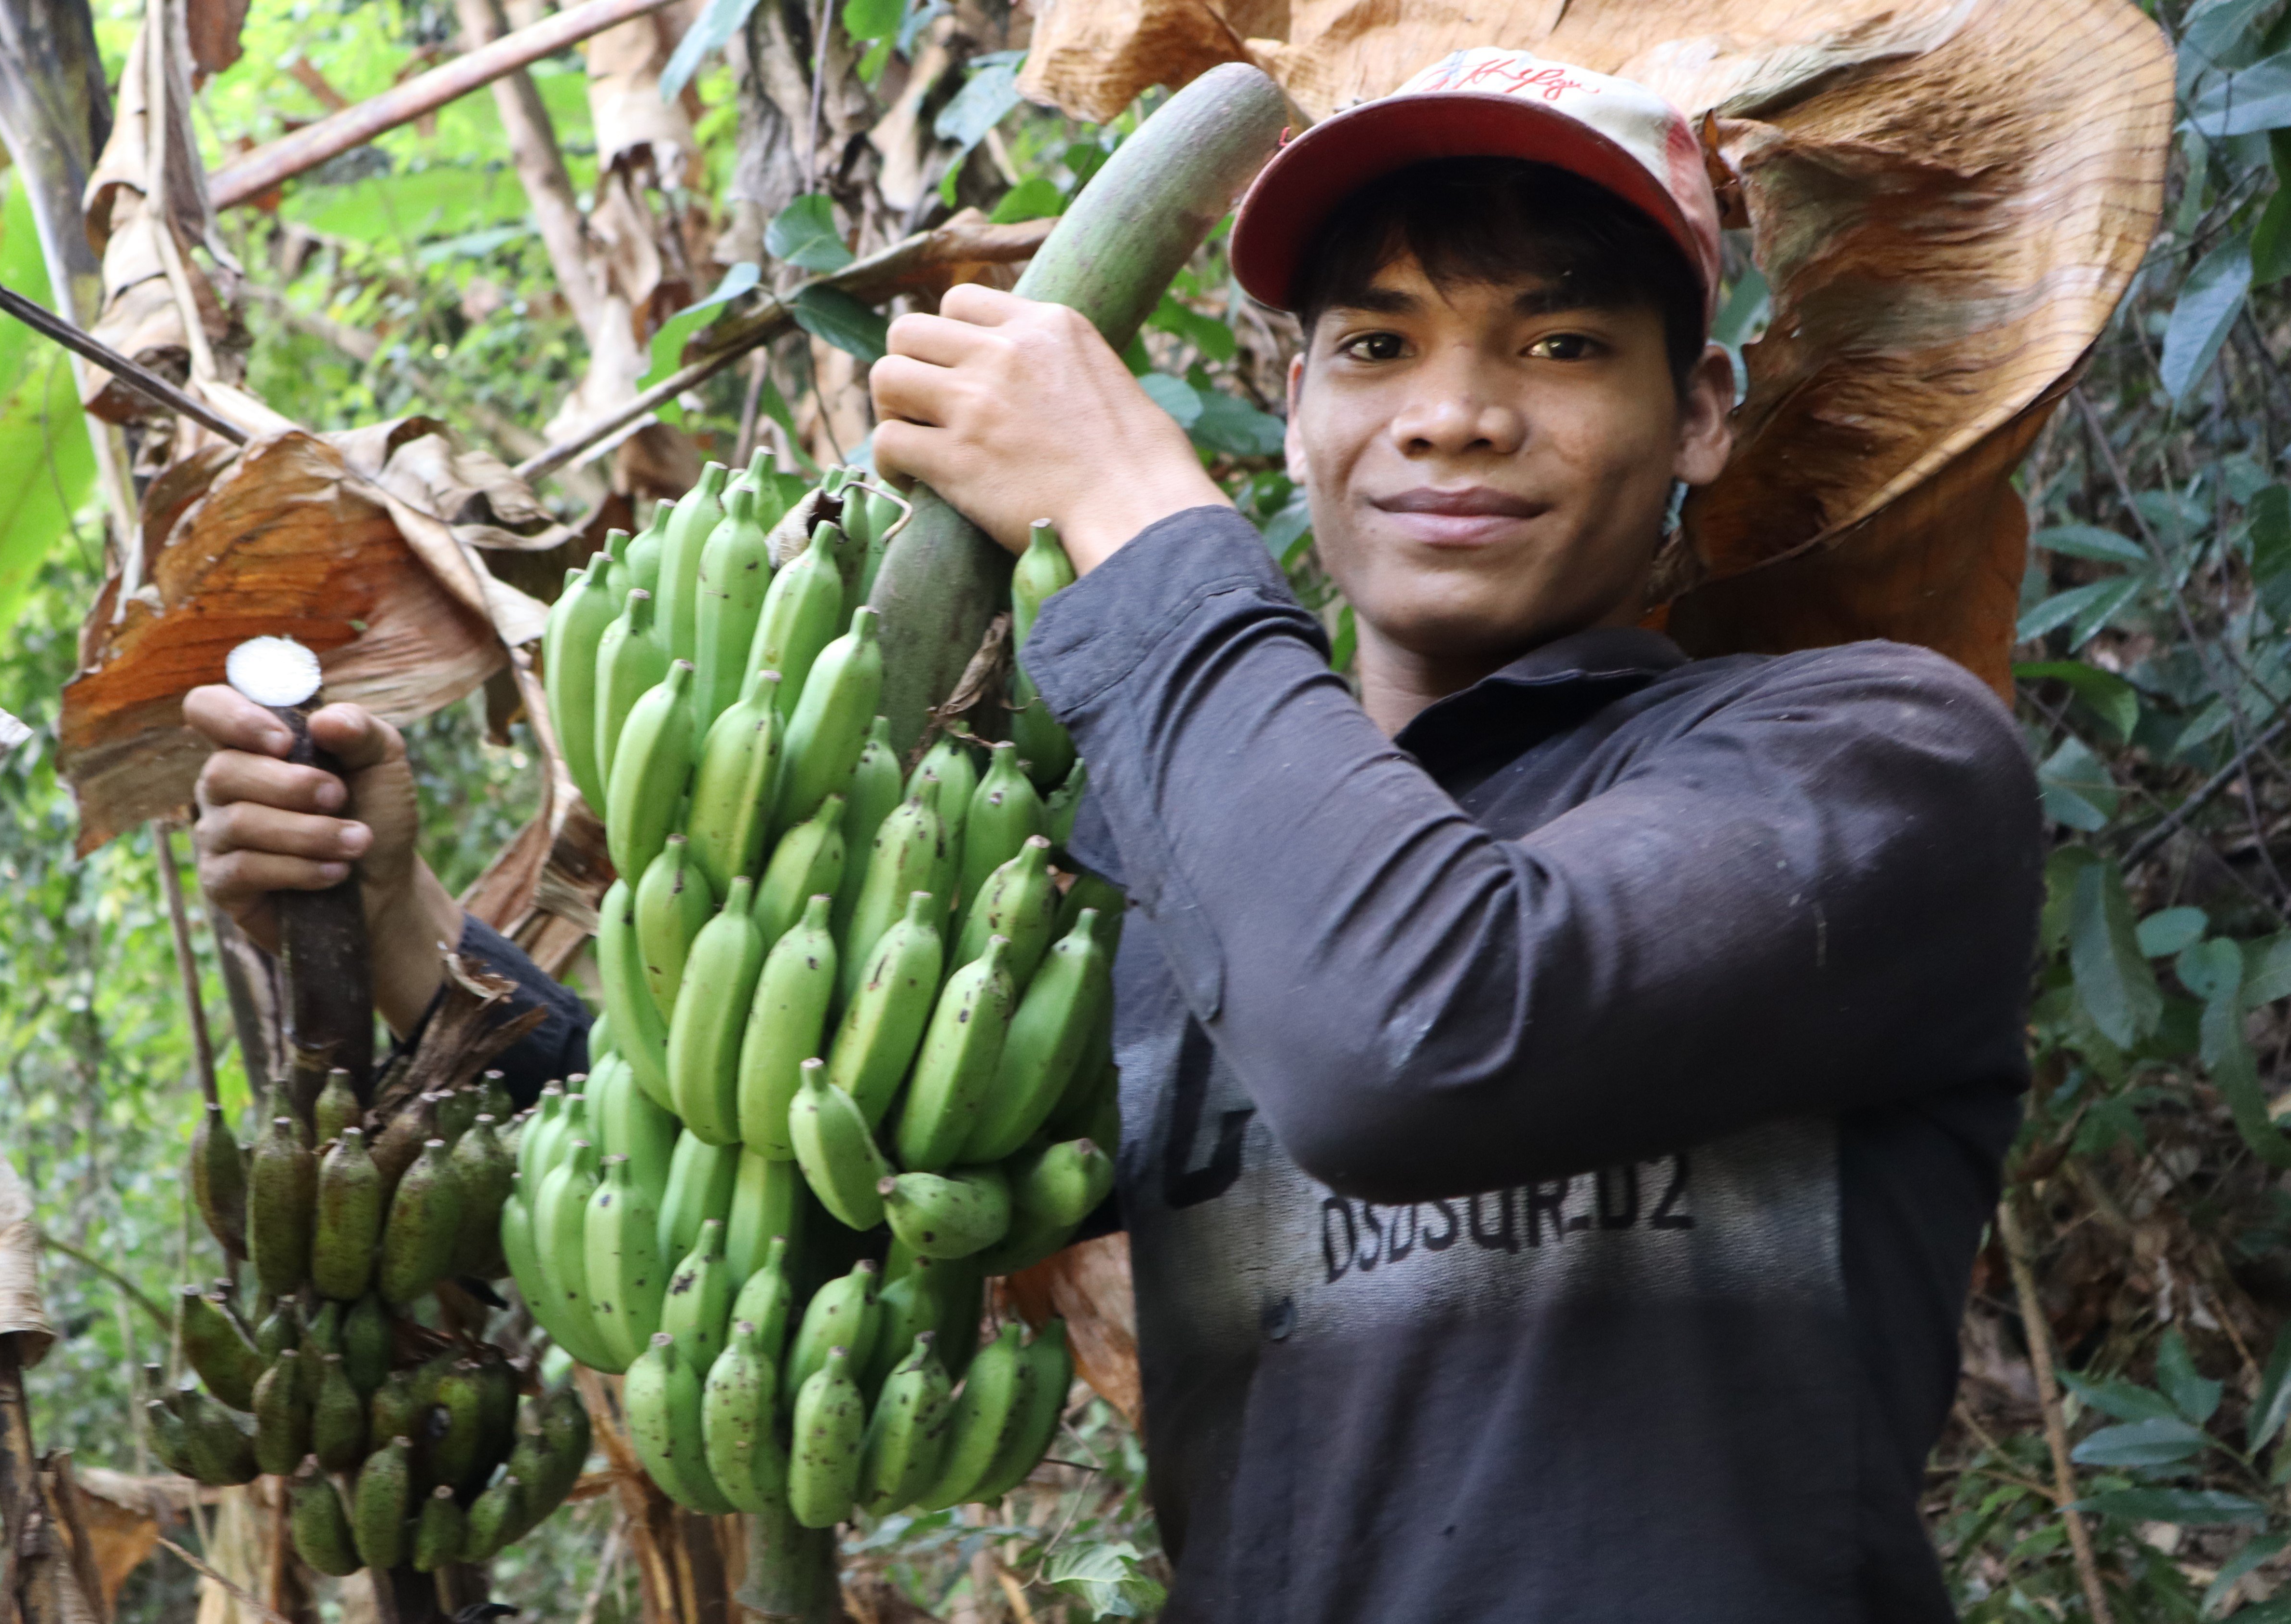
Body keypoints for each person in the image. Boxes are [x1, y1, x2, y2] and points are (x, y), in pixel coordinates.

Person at [183, 49, 2041, 1622]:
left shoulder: (1859, 770)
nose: (1457, 416)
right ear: (1298, 402)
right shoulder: (1173, 851)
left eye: (1559, 345)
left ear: (1697, 412)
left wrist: (1129, 513)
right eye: (1377, 343)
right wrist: (407, 912)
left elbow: (1426, 1030)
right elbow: (792, 1176)